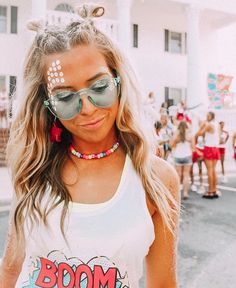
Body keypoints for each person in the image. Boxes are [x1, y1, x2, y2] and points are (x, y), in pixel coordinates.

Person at [0, 4, 180, 288]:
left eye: (99, 88)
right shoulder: (32, 171)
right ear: (47, 104)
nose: (86, 108)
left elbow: (163, 283)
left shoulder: (157, 179)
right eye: (65, 97)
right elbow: (10, 270)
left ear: (119, 81)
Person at [195, 111, 220, 199]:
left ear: (211, 116)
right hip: (215, 148)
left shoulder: (209, 124)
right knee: (213, 170)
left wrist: (202, 125)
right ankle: (214, 190)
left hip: (209, 148)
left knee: (209, 170)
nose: (206, 117)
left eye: (208, 116)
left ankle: (210, 191)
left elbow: (199, 134)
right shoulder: (216, 124)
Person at [170, 121, 194, 200]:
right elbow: (193, 146)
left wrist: (176, 137)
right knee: (186, 175)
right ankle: (185, 193)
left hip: (178, 156)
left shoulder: (176, 134)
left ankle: (177, 194)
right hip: (187, 155)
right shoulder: (190, 135)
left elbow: (171, 144)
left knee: (178, 175)